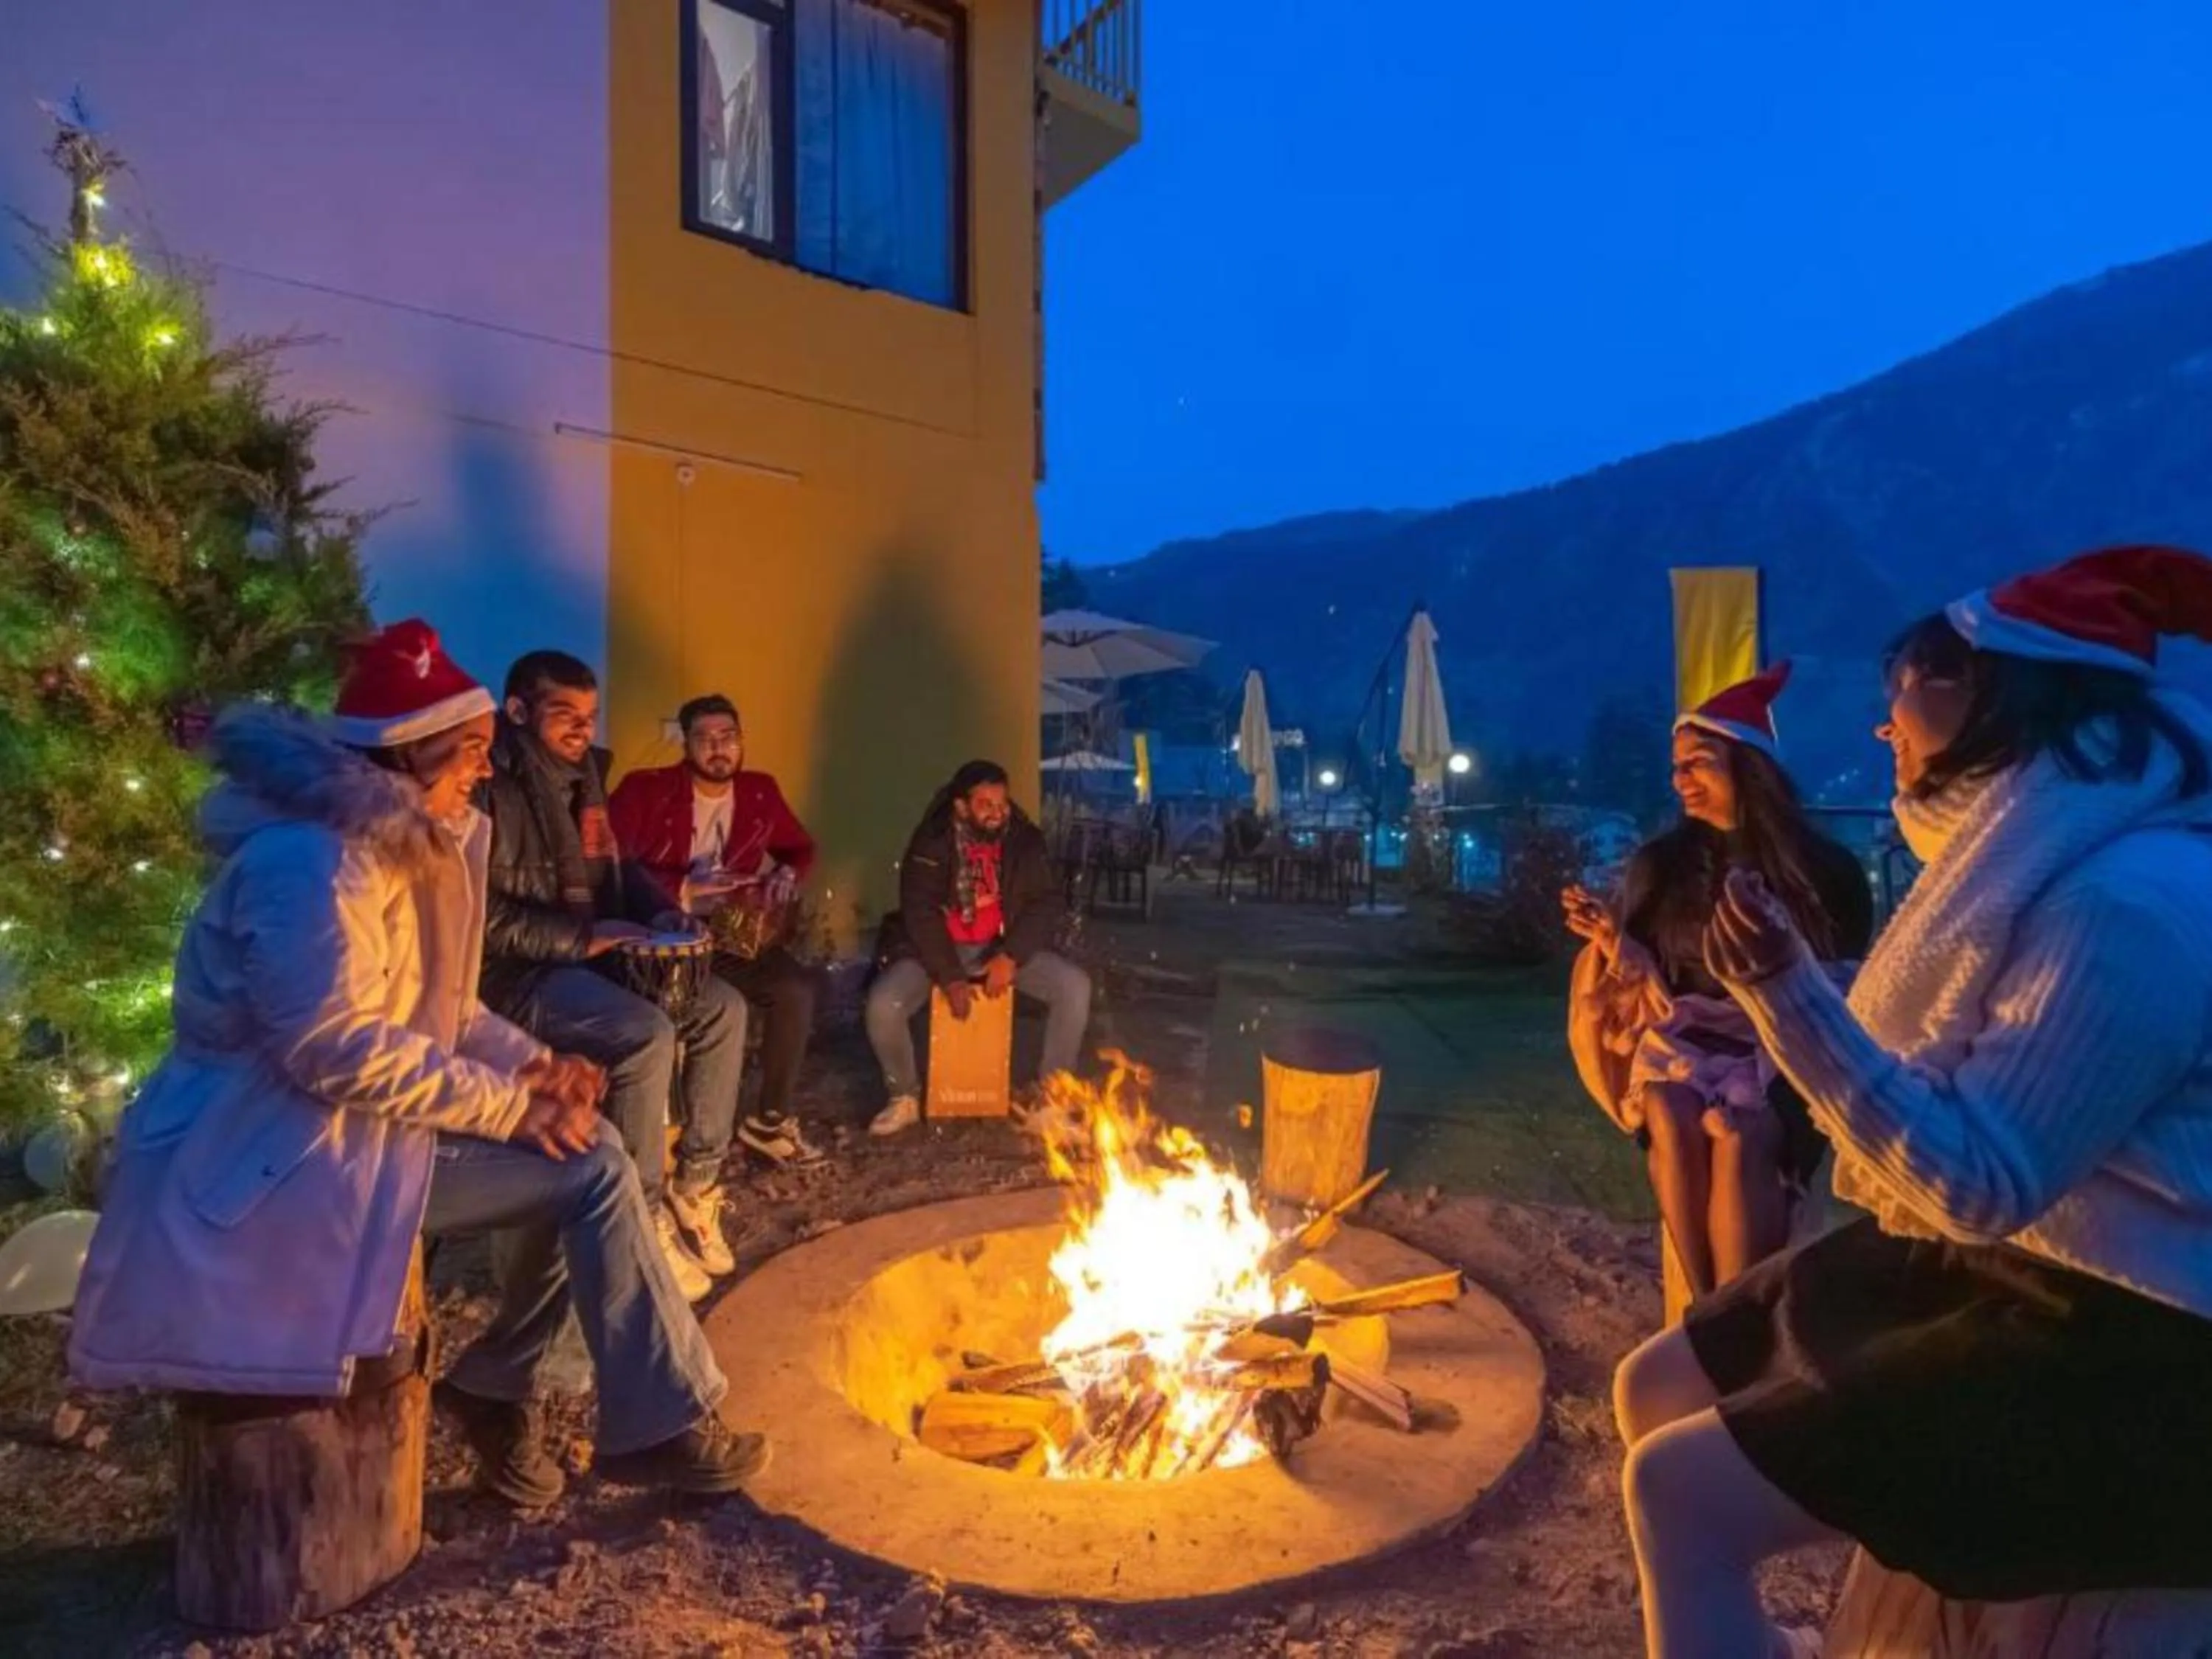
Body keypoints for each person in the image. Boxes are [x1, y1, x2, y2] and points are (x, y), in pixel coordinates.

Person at [1613, 546, 2212, 1659]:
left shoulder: (2127, 910)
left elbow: (1981, 1179)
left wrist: (1789, 999)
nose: (1886, 735)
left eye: (1903, 703)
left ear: (1994, 700)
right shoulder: (2051, 873)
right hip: (2034, 1256)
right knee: (1654, 1377)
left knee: (1676, 1489)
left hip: (2138, 1335)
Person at [68, 622, 767, 1508]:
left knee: (583, 1158)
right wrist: (512, 1111)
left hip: (344, 1129)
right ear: (412, 755)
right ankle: (629, 1418)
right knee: (586, 1165)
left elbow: (442, 1008)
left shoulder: (392, 846)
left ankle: (523, 1393)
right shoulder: (312, 866)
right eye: (471, 751)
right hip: (277, 1152)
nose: (484, 769)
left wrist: (536, 1068)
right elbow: (334, 1048)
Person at [1563, 663, 1872, 1297]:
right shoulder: (1662, 866)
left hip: (1784, 1060)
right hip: (1686, 1052)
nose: (1681, 780)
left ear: (1748, 769)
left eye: (1697, 763)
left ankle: (1733, 1311)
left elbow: (1845, 991)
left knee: (1735, 1132)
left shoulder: (1824, 872)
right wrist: (1609, 938)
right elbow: (1644, 982)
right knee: (1672, 1111)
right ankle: (1708, 1312)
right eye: (1676, 766)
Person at [478, 651, 749, 1299]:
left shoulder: (586, 780)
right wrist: (585, 936)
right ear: (517, 712)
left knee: (723, 1008)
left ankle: (696, 1187)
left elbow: (620, 872)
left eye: (589, 717)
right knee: (644, 1032)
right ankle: (638, 1212)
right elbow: (481, 918)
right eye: (563, 715)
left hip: (593, 956)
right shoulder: (491, 788)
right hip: (518, 976)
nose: (580, 730)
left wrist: (662, 913)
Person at [608, 694, 824, 1168]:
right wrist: (685, 886)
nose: (718, 749)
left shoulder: (760, 791)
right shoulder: (645, 790)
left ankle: (770, 1120)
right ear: (686, 744)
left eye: (728, 737)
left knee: (795, 990)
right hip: (662, 930)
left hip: (733, 927)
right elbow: (612, 864)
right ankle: (674, 1142)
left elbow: (800, 848)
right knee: (720, 1006)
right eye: (705, 739)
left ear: (741, 741)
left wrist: (788, 875)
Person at [864, 760, 1091, 1136]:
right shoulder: (931, 841)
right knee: (883, 1004)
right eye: (985, 804)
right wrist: (951, 976)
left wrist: (1012, 955)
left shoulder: (1024, 839)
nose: (996, 813)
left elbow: (1045, 903)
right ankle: (903, 1096)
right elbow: (919, 912)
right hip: (936, 950)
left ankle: (1052, 1100)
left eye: (1001, 803)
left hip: (999, 946)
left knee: (1074, 987)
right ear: (961, 806)